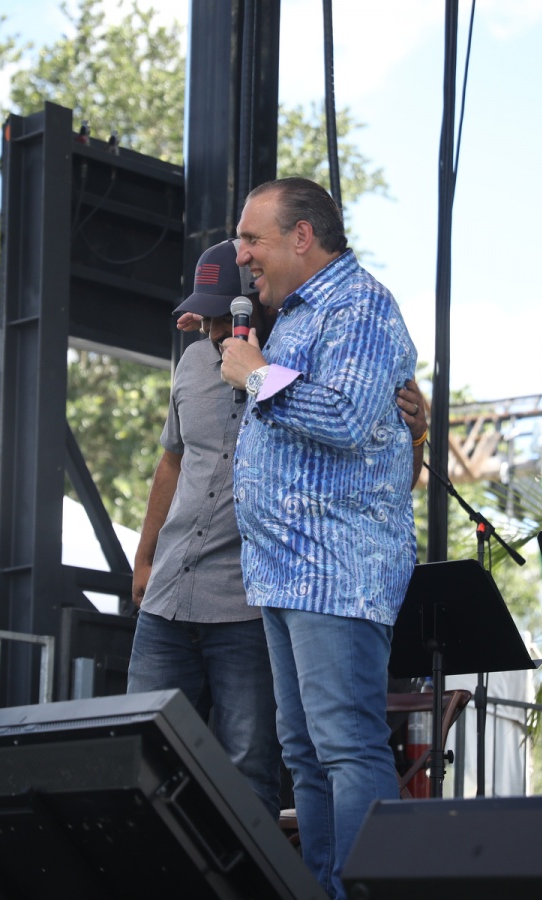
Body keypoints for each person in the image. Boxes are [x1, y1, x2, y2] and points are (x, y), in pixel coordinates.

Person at [128, 239, 427, 825]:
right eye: (205, 318)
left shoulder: (312, 358)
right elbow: (172, 461)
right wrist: (144, 558)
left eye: (224, 317)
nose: (213, 331)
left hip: (253, 598)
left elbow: (383, 471)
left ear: (260, 305)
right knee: (140, 755)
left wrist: (417, 433)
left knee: (254, 767)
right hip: (170, 594)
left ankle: (282, 873)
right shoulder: (194, 362)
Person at [220, 178, 419, 899]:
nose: (241, 254)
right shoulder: (296, 315)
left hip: (337, 568)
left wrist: (257, 376)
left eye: (252, 239)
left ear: (301, 236)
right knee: (304, 754)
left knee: (346, 746)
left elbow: (342, 416)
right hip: (284, 570)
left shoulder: (360, 305)